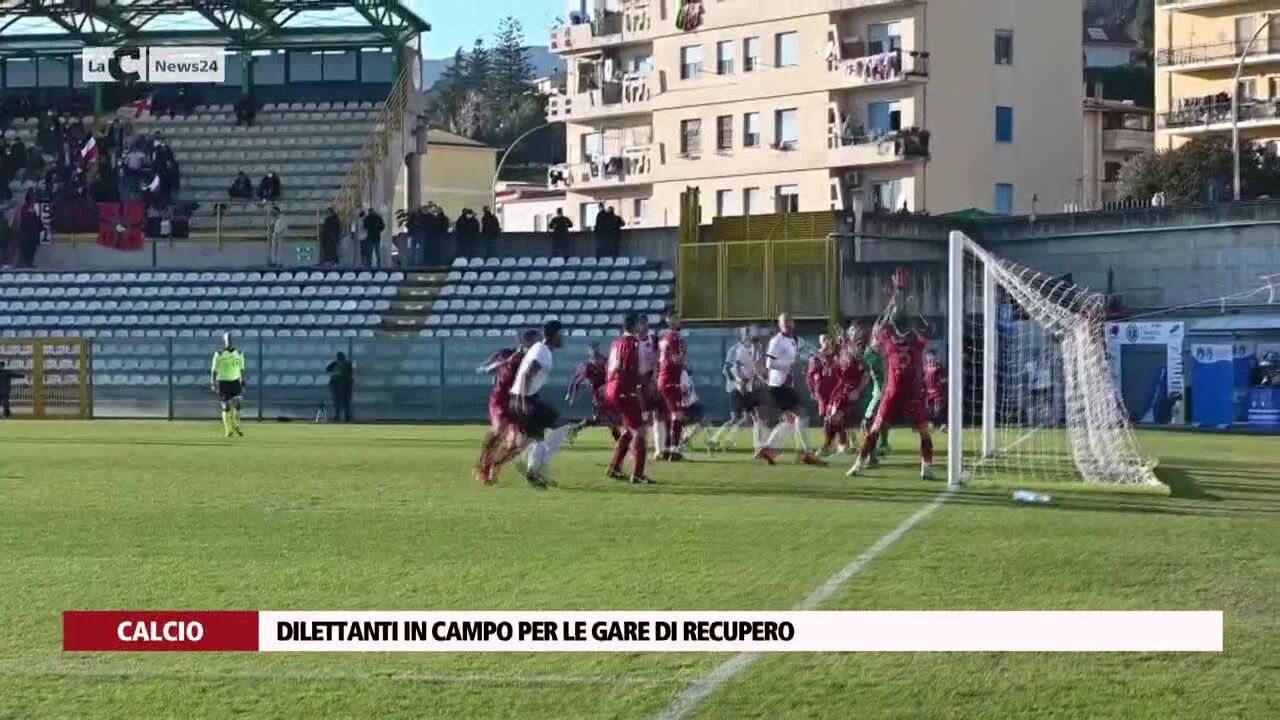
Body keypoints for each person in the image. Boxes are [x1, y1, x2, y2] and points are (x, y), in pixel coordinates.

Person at [848, 270, 935, 479]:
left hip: (892, 392)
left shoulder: (888, 340)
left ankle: (858, 465)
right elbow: (929, 330)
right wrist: (915, 309)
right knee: (924, 432)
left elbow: (879, 325)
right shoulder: (917, 341)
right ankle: (926, 468)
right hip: (913, 392)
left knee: (874, 429)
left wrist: (894, 297)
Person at [506, 321, 571, 488]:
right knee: (559, 427)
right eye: (561, 334)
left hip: (525, 397)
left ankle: (533, 471)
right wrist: (521, 399)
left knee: (539, 436)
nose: (564, 337)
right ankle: (536, 469)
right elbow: (529, 372)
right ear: (554, 335)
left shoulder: (540, 348)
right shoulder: (542, 352)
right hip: (524, 398)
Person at [757, 313, 826, 466]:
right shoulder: (777, 341)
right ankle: (808, 453)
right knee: (802, 416)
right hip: (778, 386)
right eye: (784, 322)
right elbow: (769, 364)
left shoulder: (794, 340)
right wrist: (787, 366)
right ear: (779, 324)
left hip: (785, 386)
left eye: (789, 321)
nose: (787, 324)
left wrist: (821, 355)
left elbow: (807, 346)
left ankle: (768, 448)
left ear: (793, 323)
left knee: (791, 420)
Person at [474, 331, 539, 486]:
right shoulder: (505, 354)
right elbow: (485, 369)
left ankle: (495, 465)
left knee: (521, 442)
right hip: (500, 400)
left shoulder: (533, 361)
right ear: (524, 342)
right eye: (534, 342)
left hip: (518, 404)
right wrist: (507, 361)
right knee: (499, 431)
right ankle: (483, 468)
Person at [605, 312, 654, 485]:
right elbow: (626, 368)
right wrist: (639, 386)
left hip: (612, 388)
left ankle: (614, 467)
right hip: (624, 389)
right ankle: (638, 474)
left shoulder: (616, 342)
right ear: (635, 326)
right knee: (640, 430)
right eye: (640, 324)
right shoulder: (631, 344)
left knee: (629, 429)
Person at [709, 327, 761, 451]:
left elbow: (755, 366)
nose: (749, 336)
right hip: (736, 387)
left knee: (752, 417)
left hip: (747, 387)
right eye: (747, 334)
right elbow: (727, 369)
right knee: (736, 418)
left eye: (750, 333)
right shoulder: (736, 349)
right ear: (742, 336)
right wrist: (738, 382)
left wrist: (758, 378)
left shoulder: (756, 349)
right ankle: (715, 439)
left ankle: (757, 446)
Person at [824, 325, 872, 458]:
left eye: (857, 331)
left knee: (835, 417)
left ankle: (830, 446)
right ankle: (842, 446)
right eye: (852, 330)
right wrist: (829, 365)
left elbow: (867, 374)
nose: (855, 333)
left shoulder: (860, 351)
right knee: (832, 417)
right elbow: (839, 365)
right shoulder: (844, 348)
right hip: (840, 386)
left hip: (851, 388)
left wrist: (858, 390)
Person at [565, 342, 618, 442]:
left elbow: (615, 372)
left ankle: (575, 429)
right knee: (599, 418)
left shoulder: (606, 362)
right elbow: (576, 380)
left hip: (610, 392)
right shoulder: (587, 366)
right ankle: (575, 429)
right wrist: (571, 393)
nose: (595, 351)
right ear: (589, 351)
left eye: (597, 348)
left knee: (608, 416)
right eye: (593, 349)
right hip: (598, 395)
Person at [656, 311, 687, 461]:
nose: (679, 320)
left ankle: (667, 449)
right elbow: (676, 360)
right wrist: (683, 357)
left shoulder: (664, 337)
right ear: (669, 320)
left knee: (669, 416)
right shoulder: (674, 337)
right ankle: (675, 449)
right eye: (676, 318)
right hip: (670, 380)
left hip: (663, 379)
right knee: (678, 414)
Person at [806, 333, 841, 456]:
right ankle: (830, 445)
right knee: (826, 419)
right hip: (822, 394)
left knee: (835, 418)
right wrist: (812, 391)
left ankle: (836, 444)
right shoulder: (815, 359)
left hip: (835, 392)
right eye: (824, 340)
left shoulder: (835, 356)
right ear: (820, 342)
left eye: (828, 339)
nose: (826, 342)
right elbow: (810, 377)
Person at [210, 332, 247, 438]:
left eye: (231, 338)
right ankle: (228, 430)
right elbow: (213, 370)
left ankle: (237, 426)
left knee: (238, 405)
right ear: (224, 340)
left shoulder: (239, 354)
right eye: (227, 338)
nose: (229, 340)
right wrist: (213, 383)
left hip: (235, 382)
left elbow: (242, 369)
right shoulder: (219, 354)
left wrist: (243, 382)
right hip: (223, 383)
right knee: (226, 407)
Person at [325, 352, 354, 422]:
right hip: (337, 386)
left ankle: (346, 417)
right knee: (338, 402)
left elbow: (349, 373)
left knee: (345, 402)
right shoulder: (335, 363)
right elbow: (328, 369)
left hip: (345, 386)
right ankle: (338, 416)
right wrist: (335, 364)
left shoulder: (347, 364)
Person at [924, 350, 947, 432]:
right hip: (928, 392)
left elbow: (944, 378)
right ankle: (931, 425)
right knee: (929, 410)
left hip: (937, 391)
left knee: (938, 409)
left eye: (932, 356)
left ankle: (943, 425)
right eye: (928, 357)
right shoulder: (926, 368)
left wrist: (942, 381)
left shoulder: (939, 367)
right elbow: (924, 379)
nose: (930, 358)